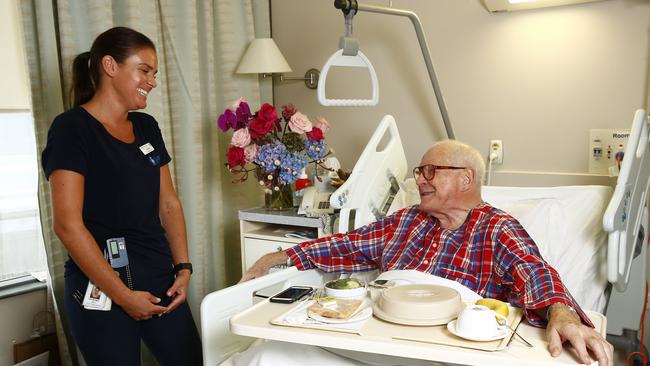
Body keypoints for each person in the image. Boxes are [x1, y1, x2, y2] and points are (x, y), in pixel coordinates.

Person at [242, 140, 613, 366]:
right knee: (265, 355)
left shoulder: (496, 227)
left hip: (435, 351)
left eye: (430, 170)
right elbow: (348, 245)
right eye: (420, 171)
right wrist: (281, 256)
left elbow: (533, 269)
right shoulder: (405, 221)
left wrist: (561, 313)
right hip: (373, 335)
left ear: (466, 178)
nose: (419, 179)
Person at [42, 27, 202, 365]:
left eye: (154, 73)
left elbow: (168, 203)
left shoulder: (146, 127)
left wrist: (183, 269)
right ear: (110, 66)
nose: (153, 81)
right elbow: (67, 225)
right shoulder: (72, 129)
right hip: (101, 288)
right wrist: (123, 296)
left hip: (161, 280)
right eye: (144, 70)